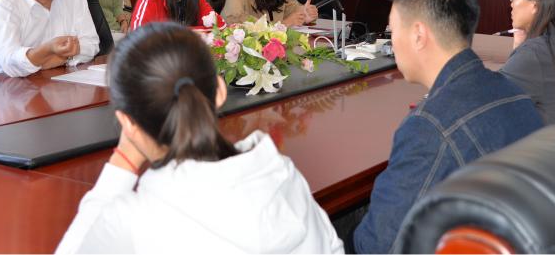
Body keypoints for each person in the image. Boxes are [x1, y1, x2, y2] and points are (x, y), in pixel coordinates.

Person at [56, 22, 343, 254]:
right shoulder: (283, 175)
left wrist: (123, 161)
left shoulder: (134, 220)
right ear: (219, 92)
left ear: (127, 123)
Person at [352, 0, 542, 254]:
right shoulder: (514, 93)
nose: (390, 40)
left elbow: (377, 246)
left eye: (392, 29)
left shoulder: (428, 127)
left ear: (418, 34)